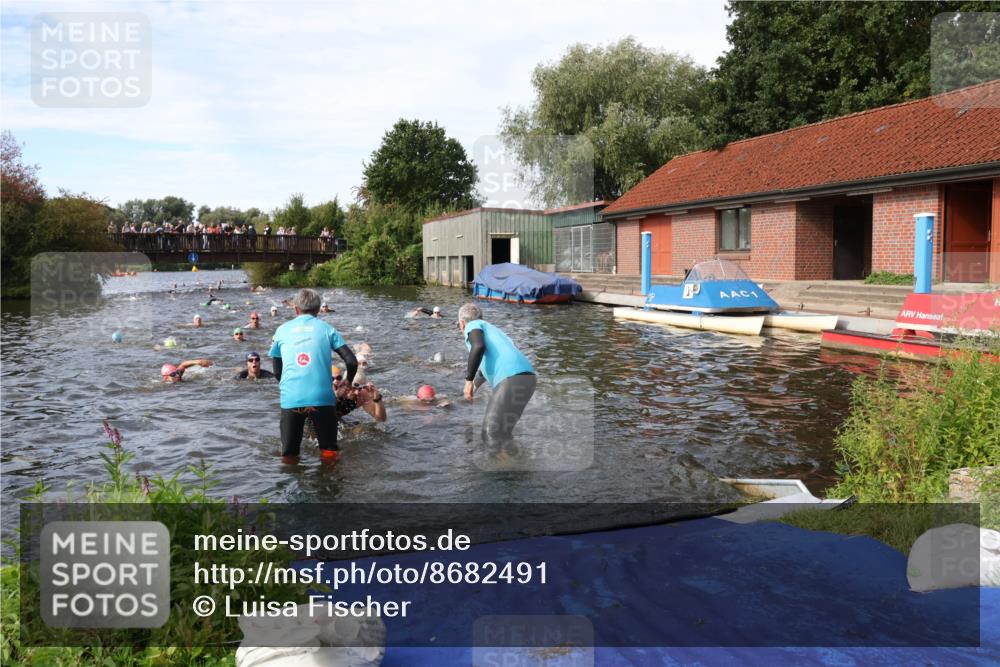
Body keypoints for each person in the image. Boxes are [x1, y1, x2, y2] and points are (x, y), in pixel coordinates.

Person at [269, 288, 358, 465]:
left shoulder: (281, 330)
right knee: (329, 451)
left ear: (295, 309)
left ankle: (291, 486)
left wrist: (291, 388)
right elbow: (352, 362)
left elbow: (278, 372)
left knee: (289, 454)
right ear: (318, 310)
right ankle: (329, 486)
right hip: (322, 398)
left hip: (292, 397)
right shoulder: (327, 329)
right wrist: (347, 382)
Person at [458, 302, 536, 443]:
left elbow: (478, 346)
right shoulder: (495, 332)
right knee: (502, 434)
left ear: (462, 323)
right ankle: (516, 462)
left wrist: (468, 381)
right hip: (528, 379)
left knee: (490, 435)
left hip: (511, 379)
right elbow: (485, 369)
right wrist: (473, 388)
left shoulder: (472, 325)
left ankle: (505, 464)